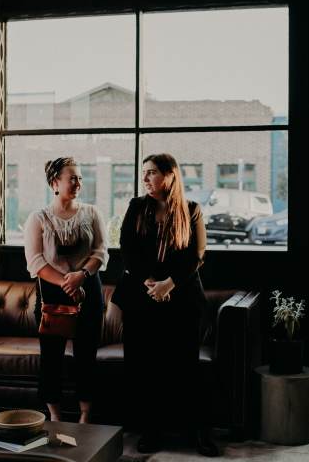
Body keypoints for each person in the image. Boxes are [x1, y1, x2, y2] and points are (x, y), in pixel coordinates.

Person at [114, 153, 219, 457]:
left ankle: (199, 433)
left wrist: (169, 284)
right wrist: (150, 282)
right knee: (145, 368)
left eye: (151, 173)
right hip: (142, 298)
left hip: (182, 299)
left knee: (186, 368)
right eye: (143, 173)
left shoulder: (191, 209)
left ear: (170, 176)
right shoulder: (137, 207)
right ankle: (151, 431)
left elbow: (197, 255)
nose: (145, 179)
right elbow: (126, 248)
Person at [24, 157, 108, 423]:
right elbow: (35, 261)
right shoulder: (38, 218)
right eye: (71, 178)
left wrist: (81, 276)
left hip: (88, 288)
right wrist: (65, 282)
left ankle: (85, 416)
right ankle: (55, 416)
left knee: (86, 355)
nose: (77, 183)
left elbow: (101, 252)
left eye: (80, 178)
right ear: (54, 183)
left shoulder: (92, 213)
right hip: (52, 291)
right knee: (51, 358)